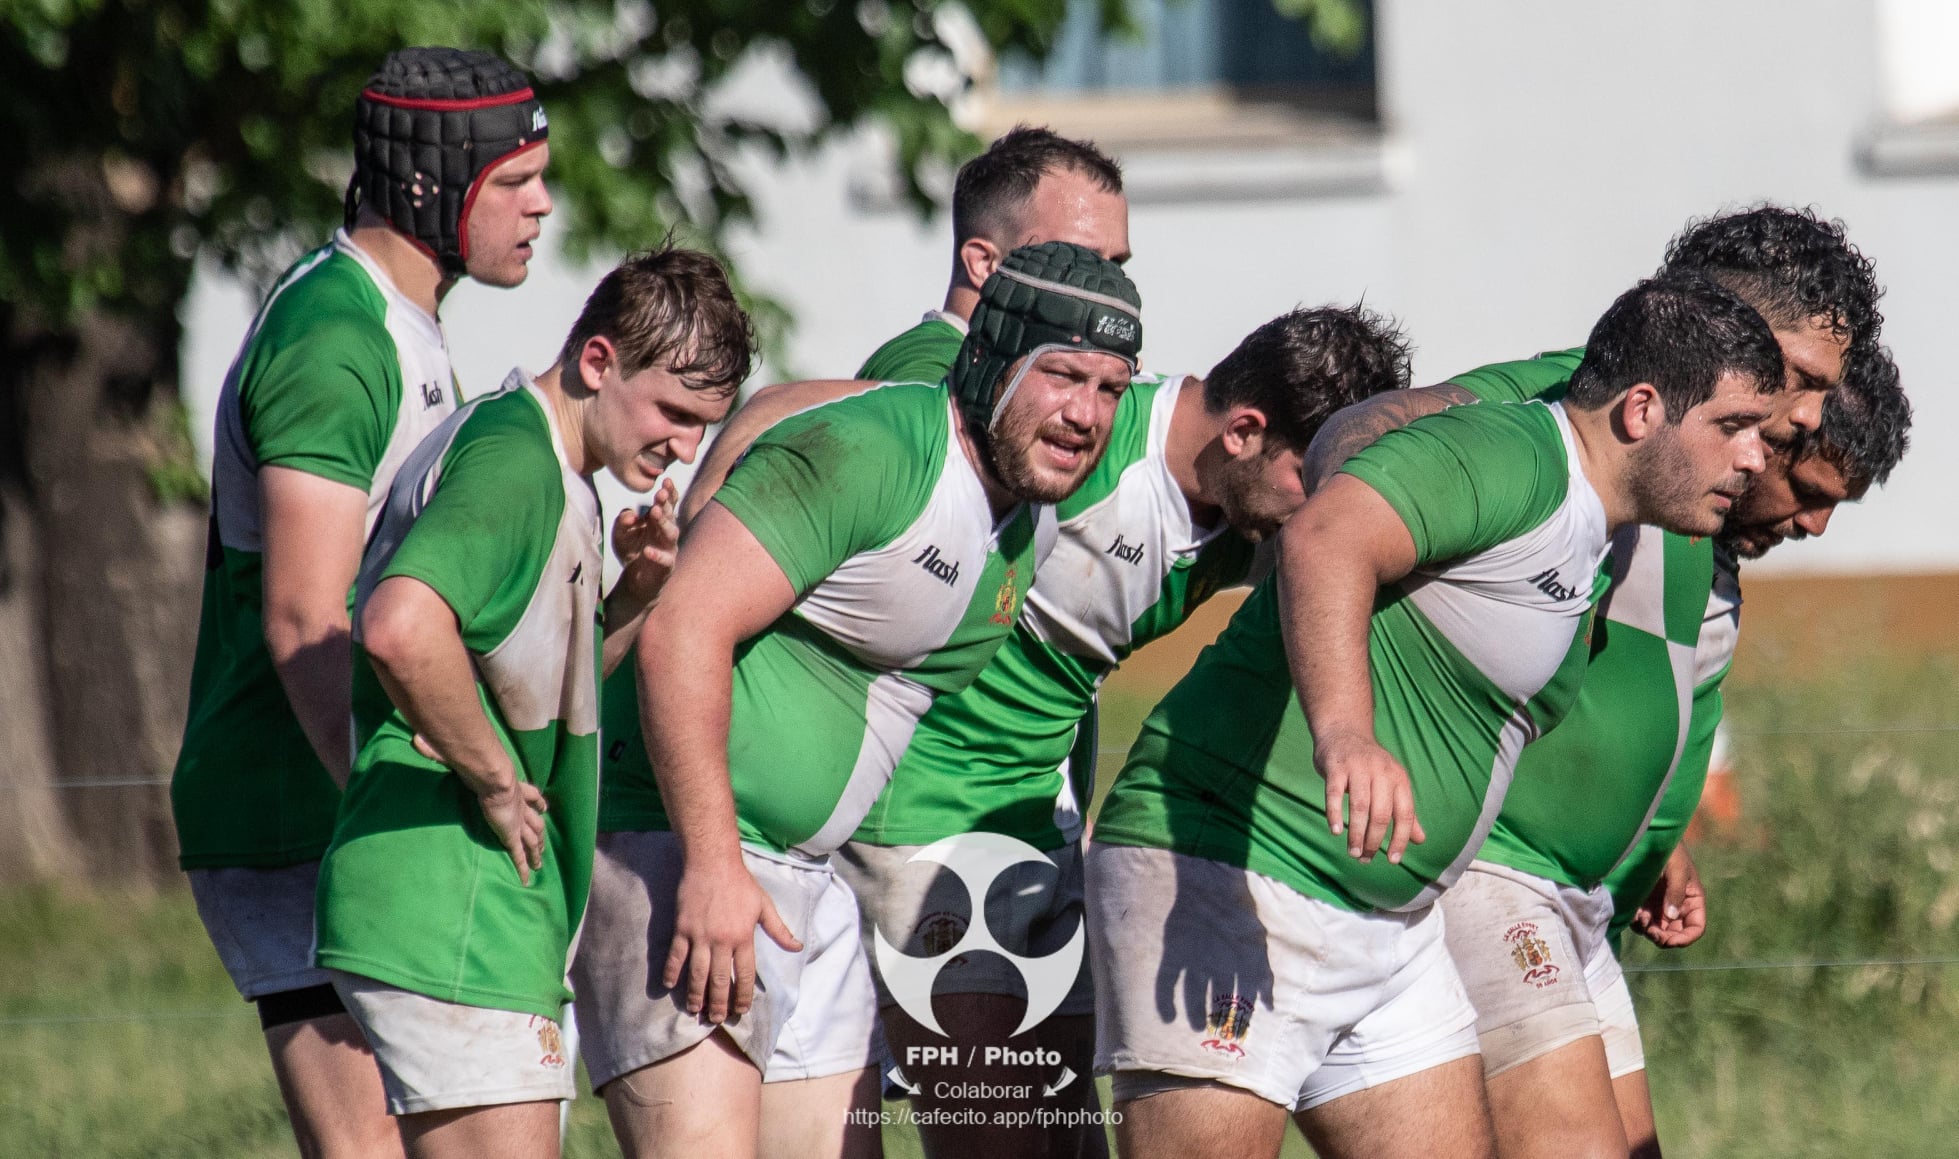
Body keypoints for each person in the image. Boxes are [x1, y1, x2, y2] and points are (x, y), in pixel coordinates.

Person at [1086, 271, 1787, 1159]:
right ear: (1641, 409)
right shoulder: (1516, 456)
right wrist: (1345, 733)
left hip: (1387, 922)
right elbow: (1324, 534)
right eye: (1733, 427)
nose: (1757, 459)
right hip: (1235, 870)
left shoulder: (1592, 528)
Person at [1299, 206, 1887, 1159]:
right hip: (1498, 865)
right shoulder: (1586, 398)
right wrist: (1347, 506)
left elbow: (1640, 675)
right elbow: (1373, 434)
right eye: (1808, 380)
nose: (1816, 412)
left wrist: (1653, 835)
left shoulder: (1707, 467)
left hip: (1581, 890)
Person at [572, 241, 1142, 1159]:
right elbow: (680, 629)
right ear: (994, 359)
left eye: (1112, 388)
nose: (1085, 413)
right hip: (685, 855)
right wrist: (713, 866)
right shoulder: (881, 454)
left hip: (809, 889)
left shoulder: (1018, 515)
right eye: (1063, 375)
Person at [830, 306, 1413, 1158]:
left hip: (1042, 825)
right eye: (1307, 483)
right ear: (1245, 431)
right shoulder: (1087, 450)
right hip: (922, 827)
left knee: (1068, 1144)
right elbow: (893, 441)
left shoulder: (1245, 510)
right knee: (993, 1144)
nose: (1318, 519)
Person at [169, 46, 552, 1157]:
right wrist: (394, 813)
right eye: (518, 180)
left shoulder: (402, 322)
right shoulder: (337, 339)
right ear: (435, 184)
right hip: (300, 813)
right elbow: (302, 620)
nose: (543, 206)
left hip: (350, 804)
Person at [312, 246, 753, 1159]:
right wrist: (495, 779)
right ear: (598, 361)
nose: (684, 446)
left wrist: (628, 597)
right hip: (454, 893)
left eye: (704, 425)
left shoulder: (555, 470)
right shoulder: (516, 462)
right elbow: (399, 625)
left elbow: (547, 678)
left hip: (470, 903)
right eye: (673, 412)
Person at [1594, 348, 1910, 1157]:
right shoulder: (1622, 531)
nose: (1813, 526)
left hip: (1591, 917)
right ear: (1761, 439)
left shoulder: (1715, 563)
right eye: (1807, 493)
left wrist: (1653, 838)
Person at [858, 124, 1129, 383]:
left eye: (1115, 264)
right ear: (984, 264)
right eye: (1078, 258)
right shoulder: (925, 372)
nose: (1106, 287)